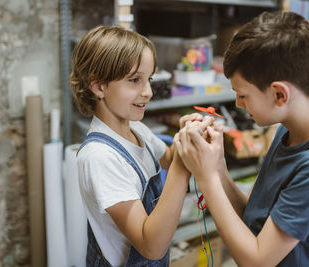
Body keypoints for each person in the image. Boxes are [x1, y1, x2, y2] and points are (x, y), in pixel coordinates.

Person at [175, 11, 309, 267]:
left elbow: (257, 261)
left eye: (243, 95)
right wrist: (216, 167)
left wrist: (205, 178)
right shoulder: (288, 131)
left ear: (279, 94)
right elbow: (255, 220)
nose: (238, 104)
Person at [69, 25, 213, 266]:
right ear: (98, 86)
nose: (147, 92)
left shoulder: (136, 129)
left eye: (149, 79)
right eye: (134, 80)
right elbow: (151, 246)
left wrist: (187, 135)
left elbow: (167, 157)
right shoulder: (100, 157)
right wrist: (181, 164)